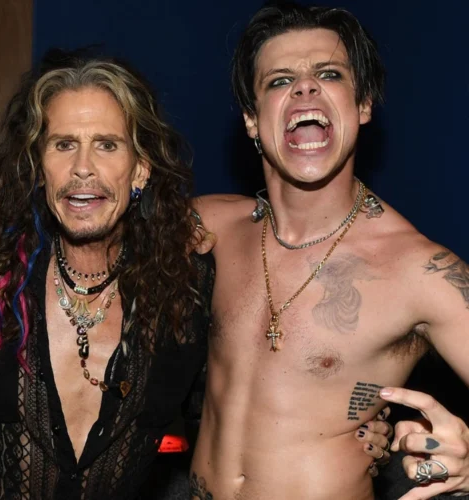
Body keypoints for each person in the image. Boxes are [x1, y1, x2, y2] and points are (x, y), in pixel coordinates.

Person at [0, 49, 389, 499]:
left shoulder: (186, 289)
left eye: (107, 145)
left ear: (140, 169)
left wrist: (355, 424)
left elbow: (253, 399)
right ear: (39, 167)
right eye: (64, 144)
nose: (82, 167)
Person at [190, 3, 469, 499]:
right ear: (252, 119)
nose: (305, 88)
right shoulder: (212, 226)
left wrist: (467, 468)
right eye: (280, 80)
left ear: (363, 105)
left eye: (329, 74)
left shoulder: (418, 271)